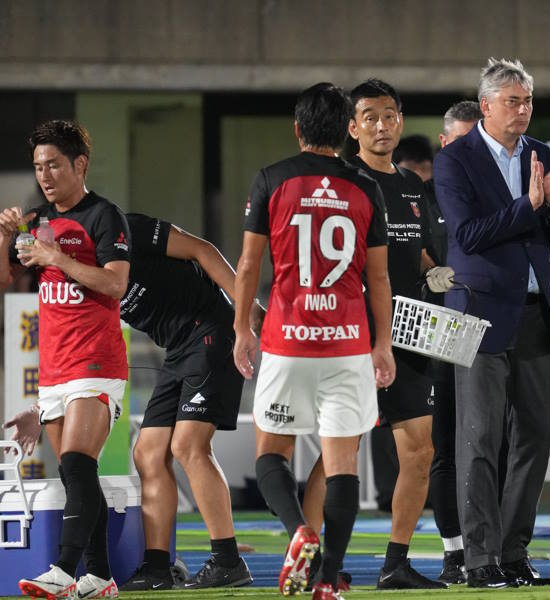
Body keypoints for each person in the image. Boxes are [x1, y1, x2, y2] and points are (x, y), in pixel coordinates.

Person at [6, 212, 261, 591]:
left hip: (211, 327)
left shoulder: (121, 227)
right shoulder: (68, 269)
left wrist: (248, 315)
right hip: (177, 347)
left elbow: (202, 250)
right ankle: (157, 567)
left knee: (188, 445)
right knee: (148, 454)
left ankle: (227, 560)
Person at [233, 82, 395, 600]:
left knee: (271, 454)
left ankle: (299, 531)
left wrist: (242, 329)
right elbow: (379, 278)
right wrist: (383, 344)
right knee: (343, 463)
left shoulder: (271, 180)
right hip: (348, 342)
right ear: (348, 129)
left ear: (299, 128)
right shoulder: (366, 187)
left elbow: (249, 264)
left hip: (288, 340)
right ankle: (329, 580)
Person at [433, 58, 550, 589]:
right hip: (477, 314)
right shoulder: (456, 160)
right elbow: (468, 235)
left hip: (536, 315)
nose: (524, 111)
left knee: (536, 438)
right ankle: (479, 560)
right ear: (486, 107)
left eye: (528, 101)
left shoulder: (542, 154)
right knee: (478, 439)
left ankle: (514, 554)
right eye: (514, 102)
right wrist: (532, 205)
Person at [0, 120, 131, 599]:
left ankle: (62, 570)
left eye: (53, 164)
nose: (44, 175)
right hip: (54, 369)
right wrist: (3, 235)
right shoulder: (34, 222)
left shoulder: (104, 216)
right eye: (38, 167)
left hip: (96, 362)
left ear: (80, 164)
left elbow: (115, 284)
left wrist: (57, 259)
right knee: (79, 474)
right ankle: (100, 578)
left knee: (76, 464)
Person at [345, 78, 446, 590]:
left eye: (389, 116)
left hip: (410, 331)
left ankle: (396, 562)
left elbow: (424, 250)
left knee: (420, 451)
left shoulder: (411, 186)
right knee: (337, 452)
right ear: (352, 126)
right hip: (351, 334)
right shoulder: (342, 182)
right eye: (370, 117)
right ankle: (317, 555)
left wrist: (435, 271)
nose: (381, 126)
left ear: (400, 121)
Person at [421, 100, 481, 585]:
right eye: (459, 141)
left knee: (490, 442)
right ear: (445, 143)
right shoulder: (417, 198)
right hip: (438, 329)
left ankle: (493, 544)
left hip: (487, 327)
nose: (467, 150)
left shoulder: (493, 189)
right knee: (445, 446)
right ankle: (454, 551)